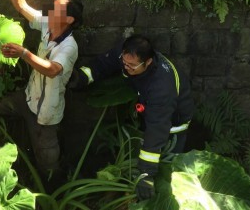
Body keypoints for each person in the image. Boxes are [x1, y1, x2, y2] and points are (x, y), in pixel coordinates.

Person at [71, 34, 194, 200]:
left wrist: (146, 174)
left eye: (132, 66)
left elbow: (157, 130)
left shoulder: (161, 87)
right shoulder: (127, 53)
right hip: (150, 113)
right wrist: (80, 78)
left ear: (148, 62)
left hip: (172, 126)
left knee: (166, 175)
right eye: (124, 62)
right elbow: (103, 64)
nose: (126, 67)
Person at [0, 0, 83, 181]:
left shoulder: (69, 46)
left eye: (56, 10)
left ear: (69, 20)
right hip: (28, 99)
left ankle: (53, 189)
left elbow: (53, 70)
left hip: (46, 115)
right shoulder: (48, 25)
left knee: (47, 161)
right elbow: (22, 6)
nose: (50, 11)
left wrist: (24, 53)